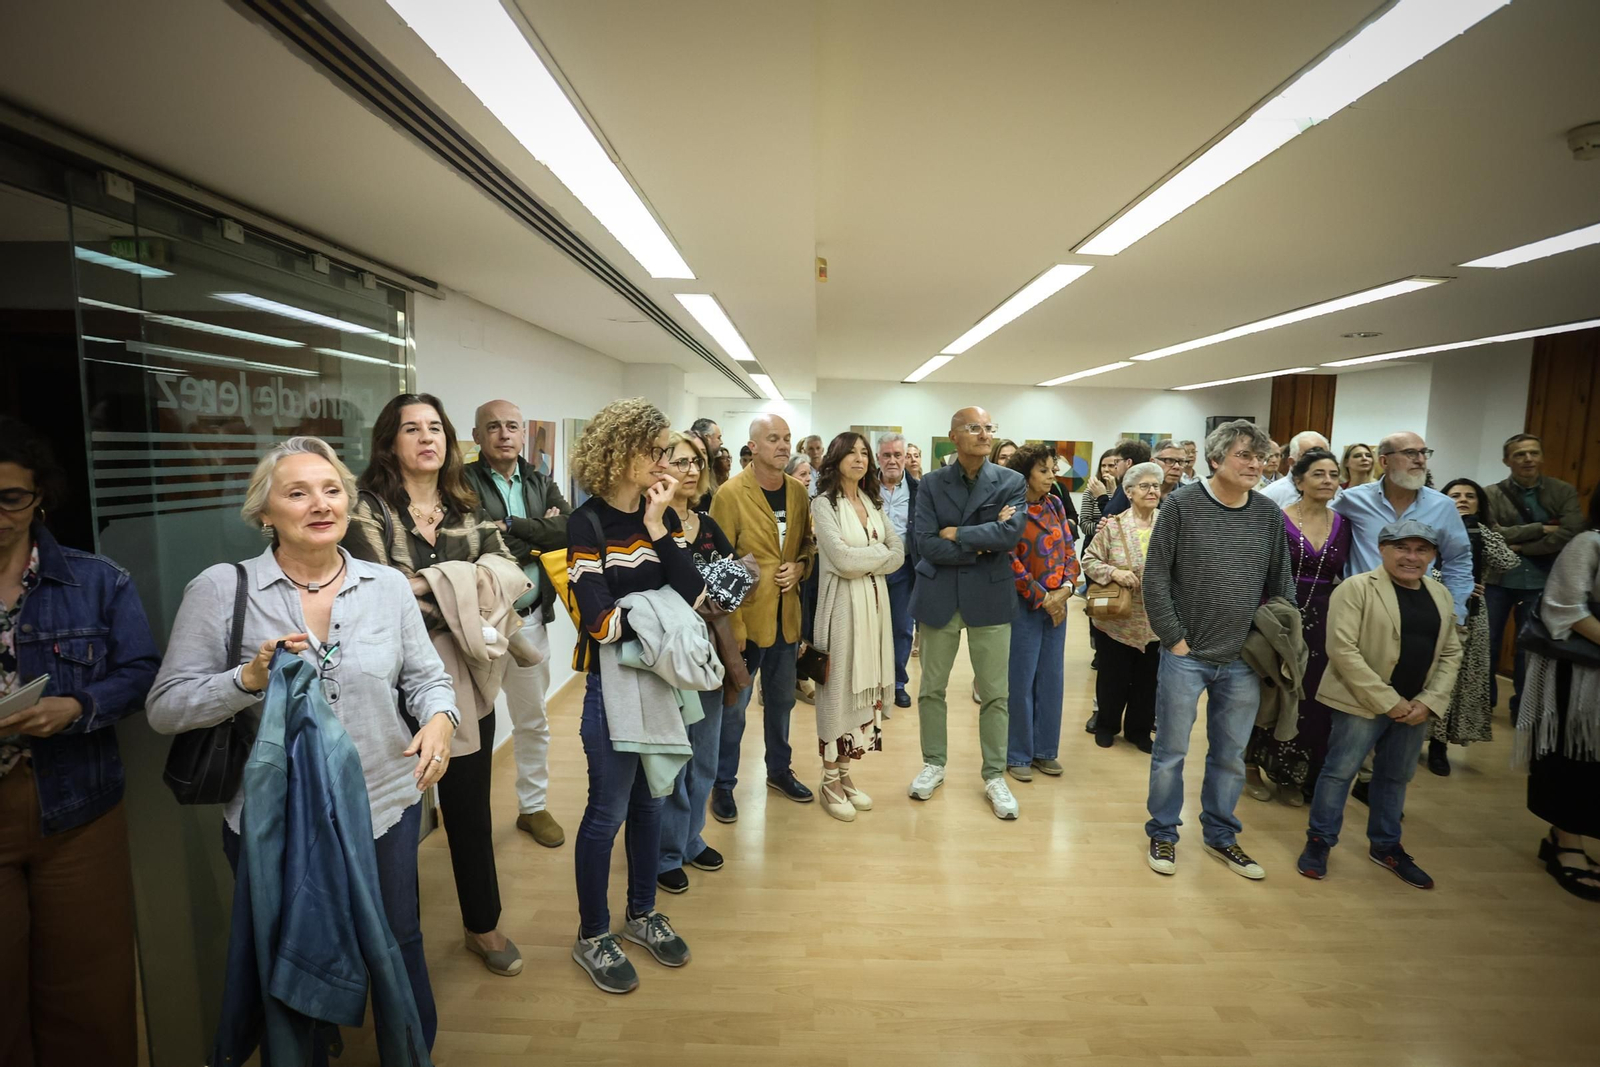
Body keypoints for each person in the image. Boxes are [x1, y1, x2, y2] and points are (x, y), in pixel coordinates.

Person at [148, 436, 458, 1052]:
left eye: (332, 489)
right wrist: (247, 680)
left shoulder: (387, 587)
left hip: (384, 801)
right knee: (293, 943)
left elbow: (426, 677)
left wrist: (441, 720)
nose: (320, 503)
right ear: (265, 514)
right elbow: (165, 708)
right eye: (297, 492)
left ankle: (411, 1047)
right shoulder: (221, 589)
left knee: (397, 936)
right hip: (275, 814)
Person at [342, 393, 525, 977]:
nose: (427, 438)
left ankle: (483, 924)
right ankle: (391, 942)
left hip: (465, 678)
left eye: (435, 428)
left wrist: (432, 586)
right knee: (392, 816)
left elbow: (511, 576)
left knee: (470, 806)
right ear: (389, 441)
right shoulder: (365, 509)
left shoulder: (464, 504)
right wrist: (466, 588)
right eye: (411, 429)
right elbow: (385, 600)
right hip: (388, 683)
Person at [0, 419, 160, 1067]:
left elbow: (142, 671)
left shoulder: (98, 581)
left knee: (89, 993)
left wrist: (78, 705)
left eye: (11, 496)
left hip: (77, 805)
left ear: (40, 497)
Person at [565, 398, 703, 993]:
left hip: (659, 684)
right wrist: (660, 615)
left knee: (651, 806)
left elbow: (695, 594)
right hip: (610, 688)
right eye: (653, 450)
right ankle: (593, 933)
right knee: (607, 813)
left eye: (665, 451)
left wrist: (656, 528)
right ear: (619, 454)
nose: (664, 461)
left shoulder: (658, 515)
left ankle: (642, 915)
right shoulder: (587, 522)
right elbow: (597, 622)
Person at [1142, 419, 1293, 881]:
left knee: (1229, 755)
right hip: (1187, 656)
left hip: (1243, 660)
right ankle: (1164, 831)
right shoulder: (1182, 506)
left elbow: (1280, 583)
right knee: (1170, 750)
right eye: (1244, 455)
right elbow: (1156, 577)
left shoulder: (1267, 515)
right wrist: (1176, 640)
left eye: (1260, 456)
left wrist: (1263, 639)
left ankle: (1222, 836)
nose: (1255, 464)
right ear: (1215, 459)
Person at [1298, 520, 1462, 889]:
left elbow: (1451, 652)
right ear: (1383, 548)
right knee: (1340, 772)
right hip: (1362, 702)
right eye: (1402, 547)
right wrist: (1389, 702)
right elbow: (1342, 650)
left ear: (1433, 556)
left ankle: (1386, 846)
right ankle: (1319, 842)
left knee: (1395, 777)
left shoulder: (1440, 594)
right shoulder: (1356, 589)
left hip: (1416, 708)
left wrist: (1429, 701)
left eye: (1422, 550)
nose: (1411, 557)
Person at [907, 407, 1027, 819]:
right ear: (953, 437)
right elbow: (924, 543)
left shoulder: (1011, 481)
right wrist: (983, 540)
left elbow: (1010, 535)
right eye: (974, 428)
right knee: (931, 689)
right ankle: (933, 764)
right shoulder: (931, 484)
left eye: (989, 428)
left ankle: (995, 775)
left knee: (996, 694)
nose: (984, 434)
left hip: (989, 600)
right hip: (939, 598)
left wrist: (958, 533)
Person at [465, 399, 571, 848]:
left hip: (528, 621)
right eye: (494, 426)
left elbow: (569, 530)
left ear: (523, 433)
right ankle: (468, 813)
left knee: (532, 720)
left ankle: (532, 808)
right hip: (474, 626)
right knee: (468, 728)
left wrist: (509, 525)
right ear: (477, 436)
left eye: (512, 426)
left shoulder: (538, 478)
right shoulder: (460, 483)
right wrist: (533, 536)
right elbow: (469, 543)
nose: (504, 434)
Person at [709, 414, 815, 822]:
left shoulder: (797, 492)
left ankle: (778, 771)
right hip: (745, 622)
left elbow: (806, 546)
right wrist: (731, 627)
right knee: (734, 711)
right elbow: (718, 563)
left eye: (787, 439)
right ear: (753, 446)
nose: (783, 446)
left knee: (782, 702)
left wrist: (801, 568)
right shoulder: (731, 494)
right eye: (773, 439)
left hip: (786, 618)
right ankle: (723, 785)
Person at [1244, 448, 1352, 803]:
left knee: (1310, 699)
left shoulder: (1343, 524)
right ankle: (1251, 766)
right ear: (1299, 480)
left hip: (1324, 619)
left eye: (1333, 475)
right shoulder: (1276, 518)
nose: (1328, 481)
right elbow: (1259, 571)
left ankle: (1291, 773)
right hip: (1279, 614)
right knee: (1272, 689)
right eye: (1319, 474)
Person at [810, 433, 903, 821]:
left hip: (875, 610)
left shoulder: (870, 501)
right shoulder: (823, 504)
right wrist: (877, 555)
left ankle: (846, 775)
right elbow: (842, 561)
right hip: (841, 611)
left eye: (865, 453)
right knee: (839, 693)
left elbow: (899, 552)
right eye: (851, 452)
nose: (860, 459)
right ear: (836, 458)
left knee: (864, 696)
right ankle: (828, 778)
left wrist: (870, 557)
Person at [1514, 489, 1600, 901]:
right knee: (1574, 757)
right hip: (1580, 674)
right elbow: (1565, 609)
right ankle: (1566, 843)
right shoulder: (1589, 543)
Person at [656, 432, 732, 894]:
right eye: (680, 461)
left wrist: (710, 594)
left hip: (709, 654)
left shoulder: (707, 525)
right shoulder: (651, 524)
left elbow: (729, 588)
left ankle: (691, 838)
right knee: (672, 758)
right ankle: (665, 851)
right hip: (667, 659)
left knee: (704, 755)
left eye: (696, 462)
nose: (690, 470)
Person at [1484, 433, 1584, 720]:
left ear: (1541, 456)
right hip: (1497, 580)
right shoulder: (1491, 493)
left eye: (1533, 453)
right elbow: (1493, 533)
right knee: (1486, 644)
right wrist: (1541, 528)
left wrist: (1521, 546)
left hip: (1542, 579)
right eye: (1519, 454)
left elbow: (1571, 531)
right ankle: (1482, 705)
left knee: (1530, 648)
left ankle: (1523, 710)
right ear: (1506, 460)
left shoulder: (1562, 491)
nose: (1527, 459)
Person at [1333, 432, 1472, 628]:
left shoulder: (1443, 506)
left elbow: (1459, 559)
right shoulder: (1352, 500)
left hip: (1419, 609)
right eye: (1410, 453)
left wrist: (1455, 610)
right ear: (1384, 461)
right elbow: (1323, 531)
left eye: (1424, 453)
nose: (1420, 460)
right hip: (1361, 608)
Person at [1428, 478, 1518, 775]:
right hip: (1431, 612)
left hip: (1473, 616)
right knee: (1429, 676)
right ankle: (1420, 736)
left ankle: (1440, 746)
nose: (1463, 500)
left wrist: (1480, 529)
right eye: (1455, 495)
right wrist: (1454, 582)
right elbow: (1422, 570)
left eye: (1470, 496)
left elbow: (1508, 561)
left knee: (1460, 680)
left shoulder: (1483, 534)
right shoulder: (1430, 529)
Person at [1002, 444, 1079, 780]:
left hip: (1057, 604)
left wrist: (1064, 592)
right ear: (1026, 474)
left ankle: (1045, 751)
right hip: (1025, 604)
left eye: (1052, 470)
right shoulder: (1011, 509)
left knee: (1051, 679)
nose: (1051, 477)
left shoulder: (1056, 504)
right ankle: (1018, 754)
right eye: (1043, 470)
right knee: (1020, 681)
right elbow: (1009, 559)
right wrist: (1042, 597)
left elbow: (1068, 551)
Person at [1080, 461, 1163, 751]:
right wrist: (1114, 573)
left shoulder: (1168, 525)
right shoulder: (1113, 525)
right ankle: (1106, 725)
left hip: (1155, 620)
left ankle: (1139, 731)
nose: (1152, 490)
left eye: (1155, 485)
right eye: (1144, 486)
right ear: (1128, 492)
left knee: (1148, 680)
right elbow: (1089, 560)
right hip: (1116, 617)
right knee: (1113, 676)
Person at [876, 433, 919, 710]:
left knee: (902, 628)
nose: (892, 460)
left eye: (897, 455)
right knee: (869, 628)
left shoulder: (919, 490)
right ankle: (871, 683)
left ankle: (898, 683)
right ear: (878, 458)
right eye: (887, 455)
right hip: (870, 570)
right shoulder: (864, 488)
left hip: (905, 569)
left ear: (905, 457)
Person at [1084, 439, 1153, 545]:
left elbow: (1110, 520)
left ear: (1128, 463)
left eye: (1116, 462)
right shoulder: (1150, 486)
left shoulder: (1128, 487)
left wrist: (1102, 497)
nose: (1115, 467)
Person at [1259, 431, 1333, 507]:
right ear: (1292, 462)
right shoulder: (1269, 496)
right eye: (1309, 458)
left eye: (1323, 457)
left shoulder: (1334, 492)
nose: (1318, 463)